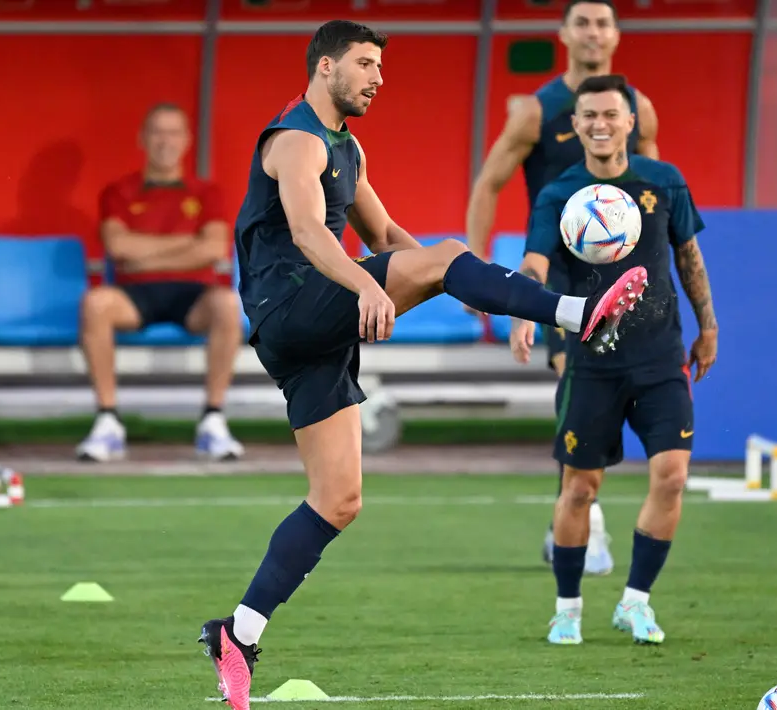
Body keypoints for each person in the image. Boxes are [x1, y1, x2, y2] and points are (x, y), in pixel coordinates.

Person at [197, 21, 651, 709]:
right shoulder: (293, 140)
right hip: (291, 306)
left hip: (310, 333)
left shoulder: (348, 148)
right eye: (364, 64)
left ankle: (238, 634)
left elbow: (385, 238)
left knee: (338, 500)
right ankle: (575, 314)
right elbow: (308, 232)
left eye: (380, 65)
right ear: (324, 68)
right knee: (441, 256)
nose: (377, 77)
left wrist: (460, 282)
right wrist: (382, 281)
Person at [513, 75, 717, 646]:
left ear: (631, 122)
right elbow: (534, 265)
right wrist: (522, 312)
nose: (600, 124)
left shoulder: (664, 181)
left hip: (660, 357)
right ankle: (568, 609)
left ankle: (635, 603)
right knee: (579, 489)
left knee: (672, 477)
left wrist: (709, 325)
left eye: (611, 114)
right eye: (589, 116)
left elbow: (688, 256)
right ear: (574, 126)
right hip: (591, 364)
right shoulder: (558, 195)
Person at [465, 0, 661, 573]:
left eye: (603, 22)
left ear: (616, 36)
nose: (593, 32)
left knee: (619, 397)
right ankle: (584, 524)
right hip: (556, 277)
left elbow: (658, 190)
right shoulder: (536, 111)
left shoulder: (639, 109)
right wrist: (479, 275)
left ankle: (576, 516)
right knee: (574, 384)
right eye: (583, 22)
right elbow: (488, 185)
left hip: (625, 278)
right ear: (564, 34)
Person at [75, 103, 244, 463]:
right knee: (95, 303)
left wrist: (145, 251)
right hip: (136, 294)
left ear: (186, 140)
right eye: (157, 132)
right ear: (142, 139)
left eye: (173, 132)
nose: (165, 141)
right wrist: (187, 244)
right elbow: (118, 246)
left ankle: (213, 419)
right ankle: (108, 421)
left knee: (228, 304)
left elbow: (213, 248)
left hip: (194, 294)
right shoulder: (119, 191)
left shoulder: (205, 191)